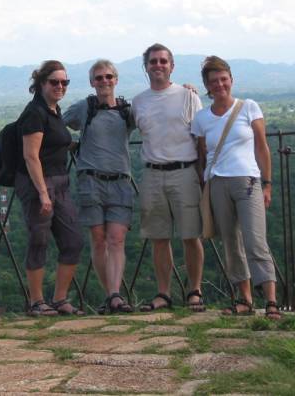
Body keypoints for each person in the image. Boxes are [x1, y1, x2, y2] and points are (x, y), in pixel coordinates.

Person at [191, 55, 281, 319]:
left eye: (223, 79)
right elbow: (201, 155)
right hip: (217, 183)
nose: (220, 85)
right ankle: (245, 299)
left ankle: (272, 300)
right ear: (207, 86)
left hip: (248, 181)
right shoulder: (202, 118)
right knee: (231, 242)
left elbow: (262, 147)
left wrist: (267, 183)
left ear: (231, 80)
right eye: (214, 81)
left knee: (256, 241)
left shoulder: (249, 107)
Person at [131, 43, 206, 312]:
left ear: (172, 66)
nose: (158, 65)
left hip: (185, 172)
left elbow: (201, 139)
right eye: (153, 61)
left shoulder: (188, 96)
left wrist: (203, 175)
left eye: (163, 61)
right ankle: (163, 293)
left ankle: (194, 290)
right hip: (152, 174)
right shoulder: (138, 101)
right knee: (158, 237)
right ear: (146, 67)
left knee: (191, 235)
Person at [15, 60, 85, 316]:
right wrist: (43, 192)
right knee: (39, 240)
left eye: (64, 82)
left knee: (73, 241)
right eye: (54, 82)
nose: (60, 86)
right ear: (41, 83)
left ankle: (59, 299)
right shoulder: (35, 112)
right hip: (39, 185)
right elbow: (31, 156)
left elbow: (52, 144)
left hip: (60, 182)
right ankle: (36, 301)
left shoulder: (54, 110)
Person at [64, 59, 135, 314]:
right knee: (98, 239)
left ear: (116, 80)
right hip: (90, 180)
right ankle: (112, 295)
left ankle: (114, 295)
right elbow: (59, 124)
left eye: (108, 77)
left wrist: (187, 90)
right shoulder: (85, 108)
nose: (104, 81)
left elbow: (158, 115)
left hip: (120, 181)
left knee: (116, 239)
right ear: (92, 83)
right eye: (99, 78)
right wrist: (69, 144)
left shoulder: (128, 110)